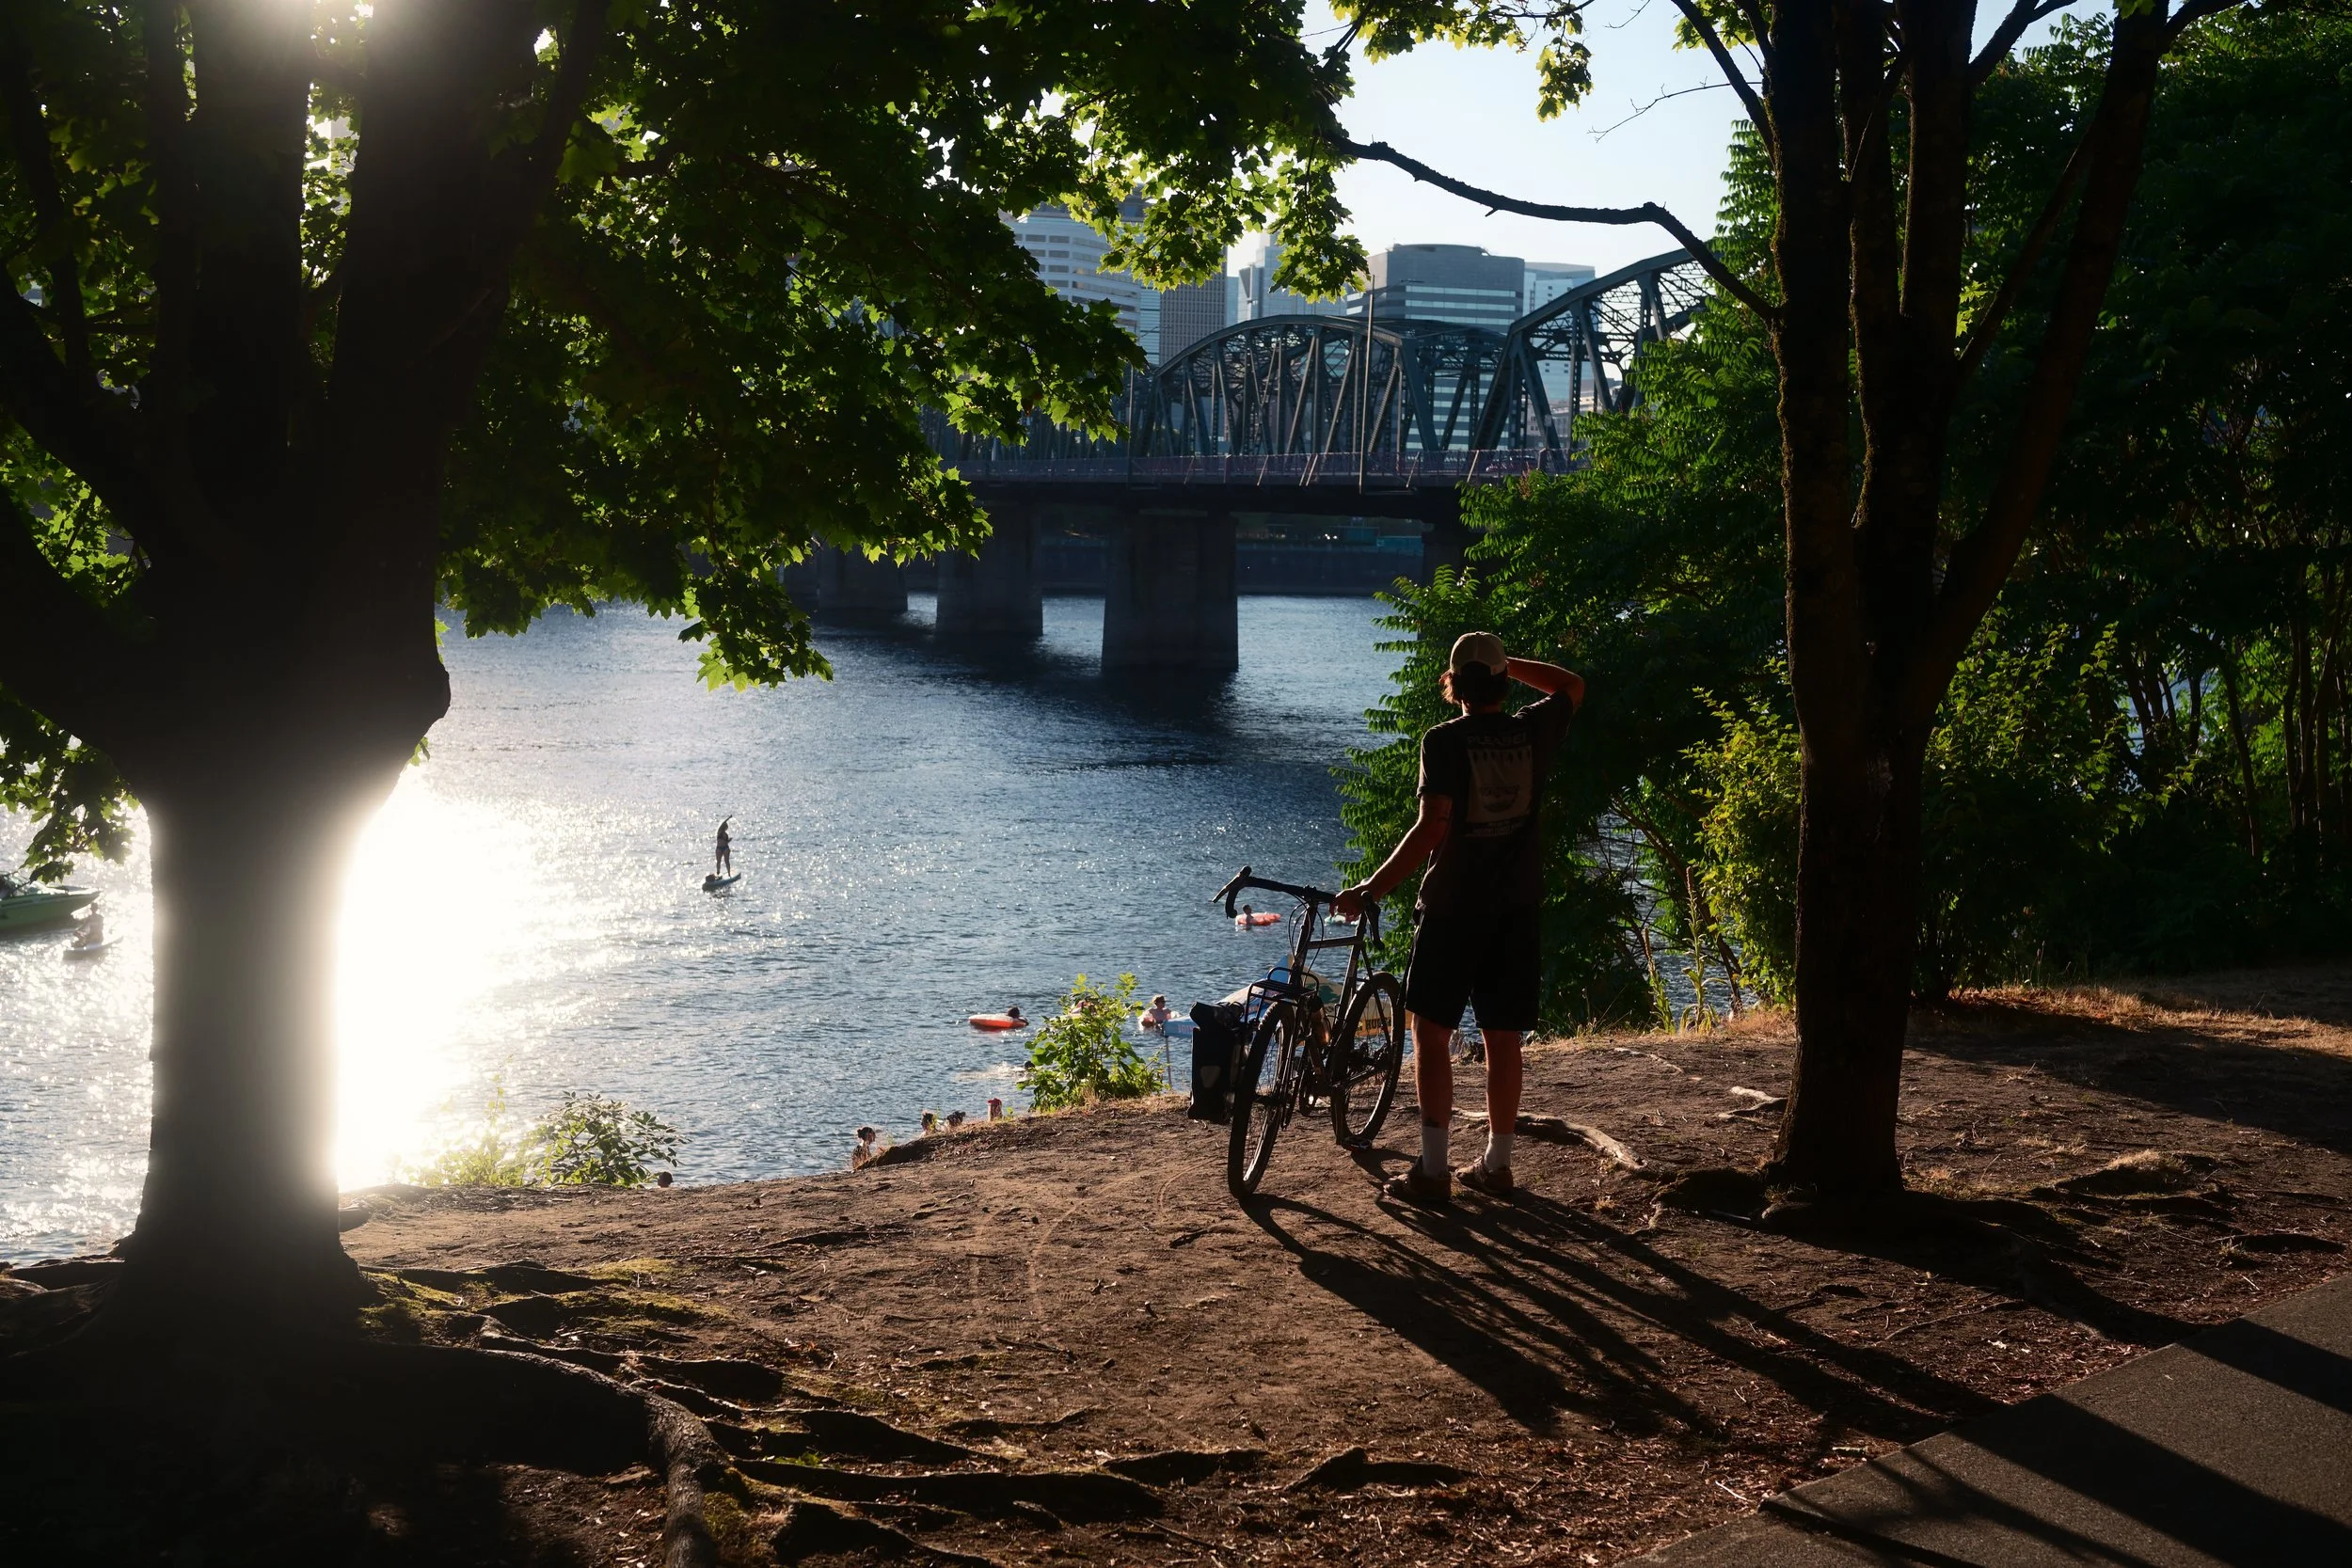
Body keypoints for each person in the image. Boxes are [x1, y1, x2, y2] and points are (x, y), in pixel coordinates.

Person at [1334, 631, 1583, 1204]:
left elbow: (1434, 827)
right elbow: (1572, 685)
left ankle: (1434, 1168)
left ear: (1453, 684)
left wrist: (1373, 886)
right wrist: (1507, 662)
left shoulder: (1444, 740)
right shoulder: (1532, 729)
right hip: (1516, 906)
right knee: (1503, 1038)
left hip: (1453, 909)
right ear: (1499, 682)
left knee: (1431, 1033)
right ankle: (1496, 1164)